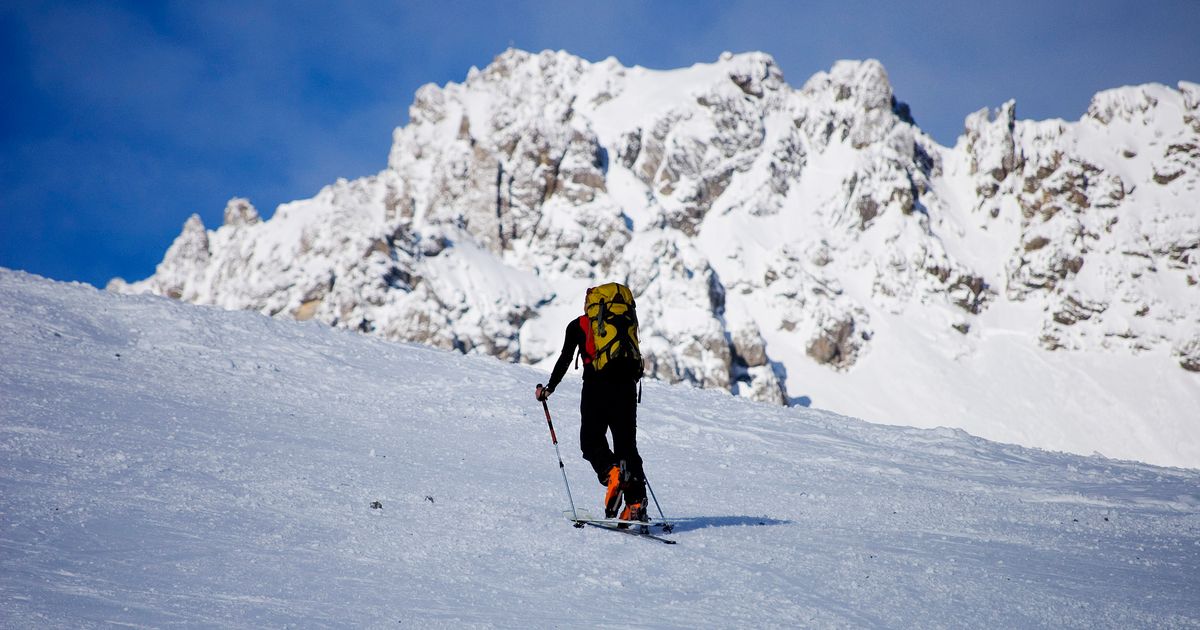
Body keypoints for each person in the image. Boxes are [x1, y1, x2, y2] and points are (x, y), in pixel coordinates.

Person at [536, 284, 646, 522]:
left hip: (597, 387)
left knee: (591, 440)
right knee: (627, 447)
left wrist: (550, 388)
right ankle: (636, 504)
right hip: (627, 386)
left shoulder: (579, 325)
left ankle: (612, 473)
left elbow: (565, 358)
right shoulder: (626, 320)